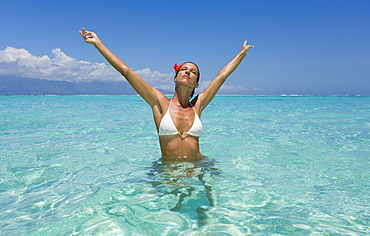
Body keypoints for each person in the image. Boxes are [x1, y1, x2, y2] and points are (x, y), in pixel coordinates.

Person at [79, 28, 254, 161]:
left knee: (209, 208)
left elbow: (221, 77)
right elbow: (126, 71)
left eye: (192, 72)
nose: (187, 72)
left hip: (199, 166)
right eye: (183, 69)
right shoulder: (160, 102)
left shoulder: (198, 105)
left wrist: (241, 55)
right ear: (175, 78)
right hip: (167, 170)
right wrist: (98, 43)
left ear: (196, 83)